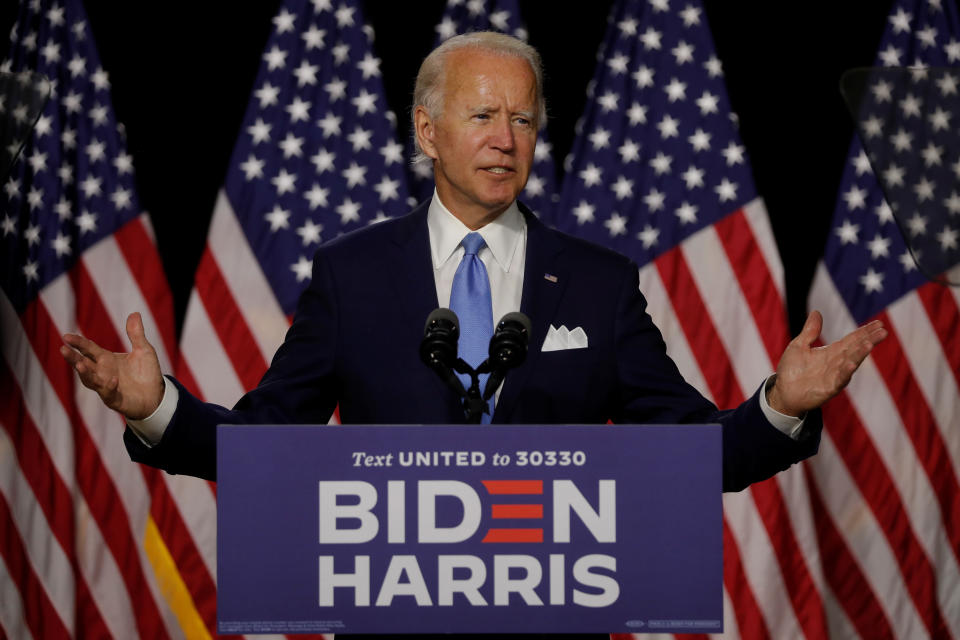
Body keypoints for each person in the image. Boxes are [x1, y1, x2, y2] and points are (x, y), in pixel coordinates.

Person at [60, 32, 887, 492]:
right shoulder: (353, 275)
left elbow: (695, 454)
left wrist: (780, 403)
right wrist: (156, 407)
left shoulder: (597, 281)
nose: (506, 139)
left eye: (524, 120)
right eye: (483, 114)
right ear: (427, 133)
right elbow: (267, 446)